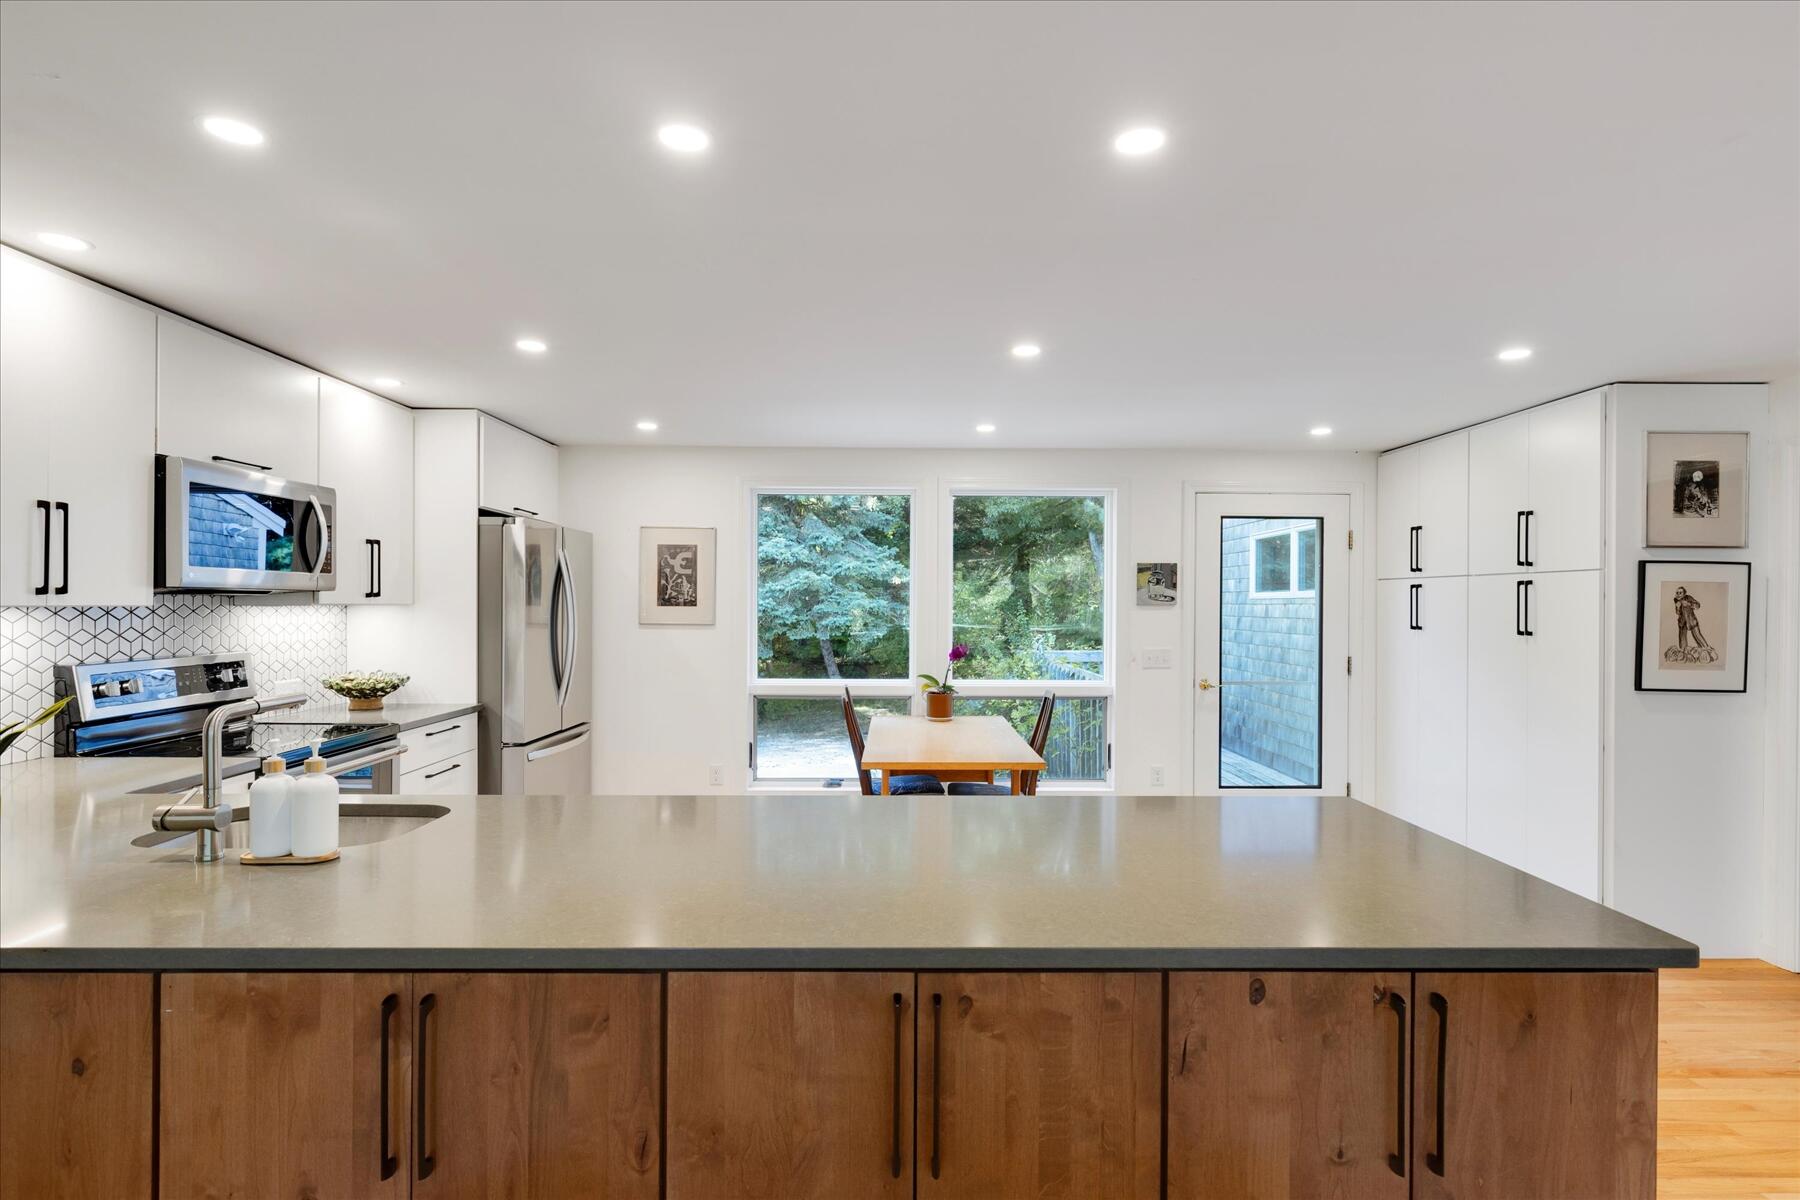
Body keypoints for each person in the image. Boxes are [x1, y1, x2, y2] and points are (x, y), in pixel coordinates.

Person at [1672, 586, 1715, 661]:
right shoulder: (1676, 600)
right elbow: (1677, 613)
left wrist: (1688, 604)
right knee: (1682, 640)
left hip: (1692, 621)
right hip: (1682, 623)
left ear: (1684, 593)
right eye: (1677, 593)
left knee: (1698, 636)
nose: (1678, 594)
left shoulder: (1688, 598)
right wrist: (1678, 607)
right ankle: (1684, 655)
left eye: (1680, 593)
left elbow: (1698, 605)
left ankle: (1707, 651)